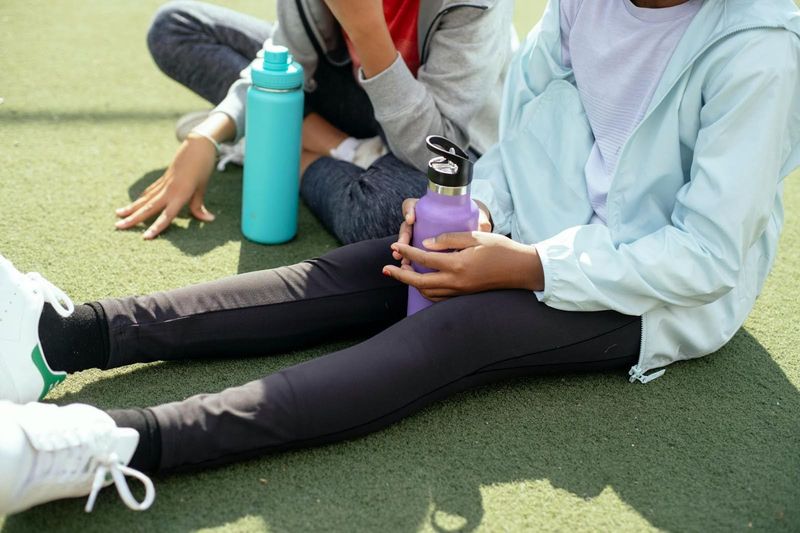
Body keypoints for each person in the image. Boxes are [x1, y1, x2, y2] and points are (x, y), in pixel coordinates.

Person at [1, 0, 799, 516]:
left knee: (449, 334)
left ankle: (116, 440)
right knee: (373, 265)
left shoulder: (759, 51)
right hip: (527, 231)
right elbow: (520, 144)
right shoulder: (581, 4)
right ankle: (65, 334)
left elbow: (704, 255)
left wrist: (526, 267)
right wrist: (475, 211)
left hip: (650, 291)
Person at [114, 0, 515, 243]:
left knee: (391, 214)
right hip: (350, 96)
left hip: (437, 135)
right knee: (175, 27)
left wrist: (368, 31)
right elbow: (283, 59)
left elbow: (437, 148)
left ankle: (267, 143)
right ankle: (341, 147)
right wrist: (210, 132)